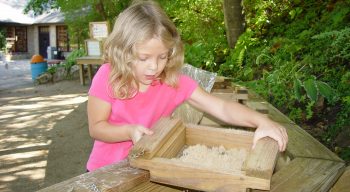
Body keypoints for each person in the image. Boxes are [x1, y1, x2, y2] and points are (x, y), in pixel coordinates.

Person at [86, 0, 288, 172]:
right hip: (106, 171)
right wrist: (129, 131)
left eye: (162, 57)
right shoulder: (108, 76)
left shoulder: (173, 81)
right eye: (143, 58)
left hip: (148, 167)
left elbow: (222, 107)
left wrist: (262, 121)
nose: (154, 67)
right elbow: (96, 128)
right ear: (123, 51)